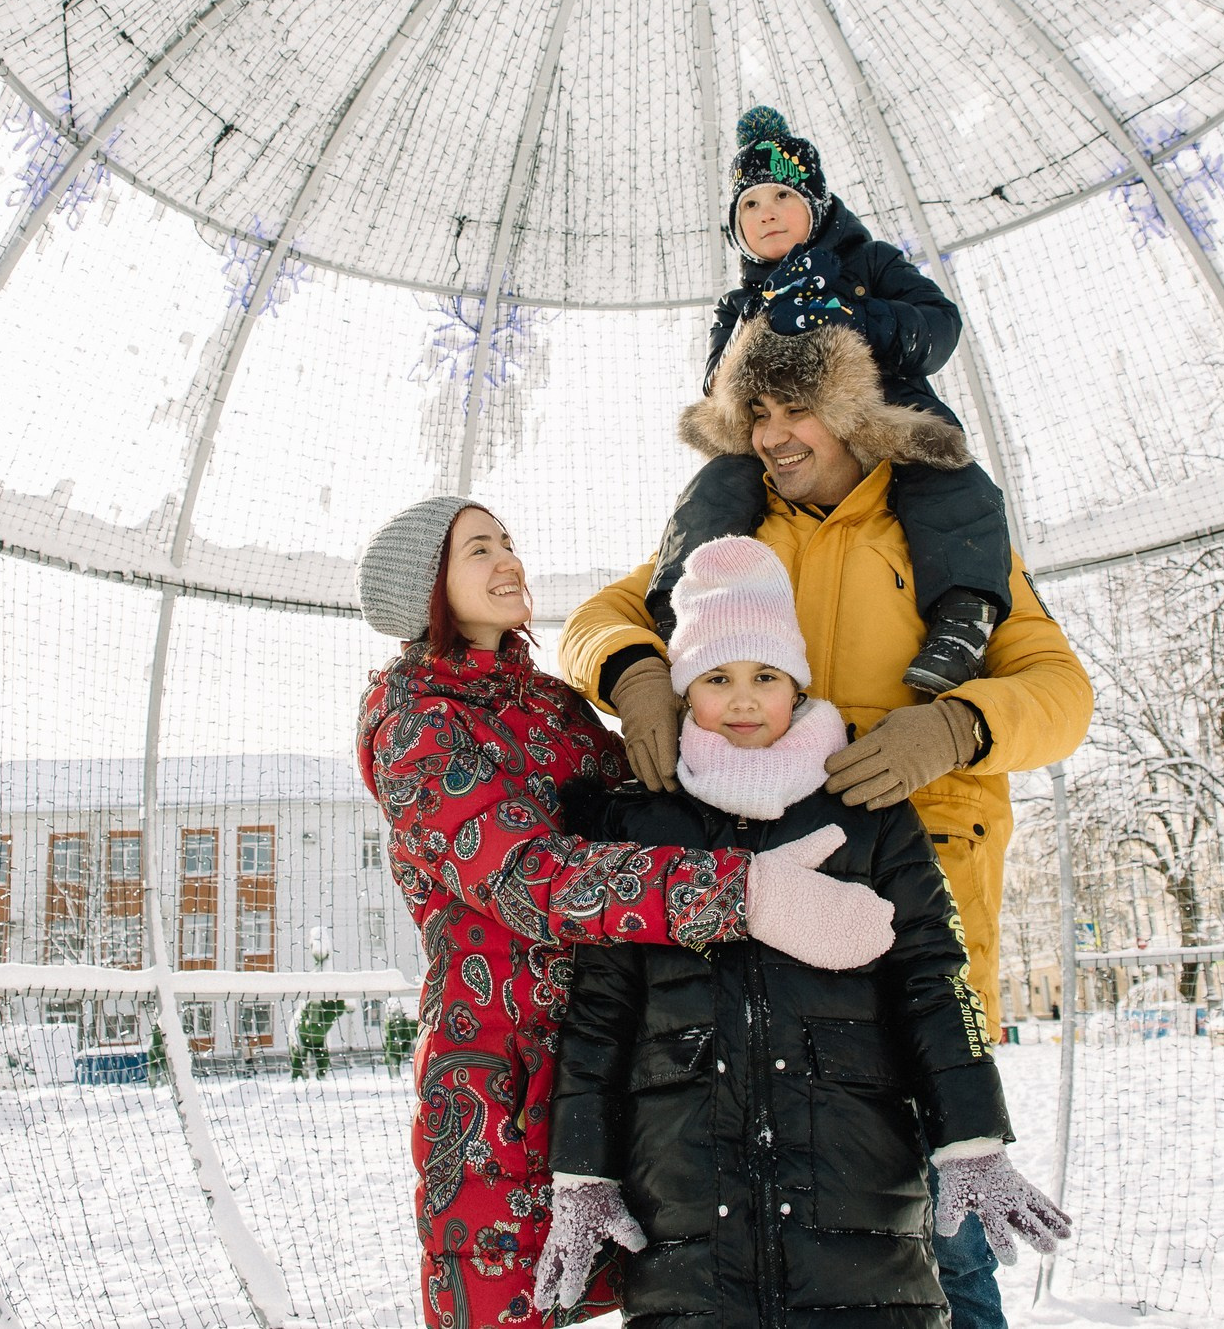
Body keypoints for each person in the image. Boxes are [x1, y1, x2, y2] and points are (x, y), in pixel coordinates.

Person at [562, 346, 1092, 1329]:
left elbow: (1062, 692)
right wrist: (636, 667)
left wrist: (956, 723)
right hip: (745, 941)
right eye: (752, 412)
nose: (768, 435)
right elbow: (597, 619)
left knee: (937, 1229)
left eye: (793, 409)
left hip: (903, 918)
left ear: (856, 412)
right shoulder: (731, 529)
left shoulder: (940, 538)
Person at [356, 496, 899, 1329]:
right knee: (509, 1305)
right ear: (425, 585)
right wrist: (741, 892)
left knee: (665, 1295)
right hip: (501, 1070)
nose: (509, 561)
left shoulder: (553, 704)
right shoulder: (415, 723)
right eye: (478, 550)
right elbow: (534, 882)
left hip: (619, 1049)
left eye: (508, 540)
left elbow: (657, 813)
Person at [646, 105, 1015, 695]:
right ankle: (676, 603)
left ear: (816, 206)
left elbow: (938, 327)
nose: (766, 214)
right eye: (749, 205)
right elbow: (716, 380)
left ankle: (962, 619)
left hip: (882, 421)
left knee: (951, 484)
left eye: (782, 198)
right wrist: (760, 326)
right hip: (779, 441)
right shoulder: (737, 304)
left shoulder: (870, 264)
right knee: (718, 486)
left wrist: (848, 311)